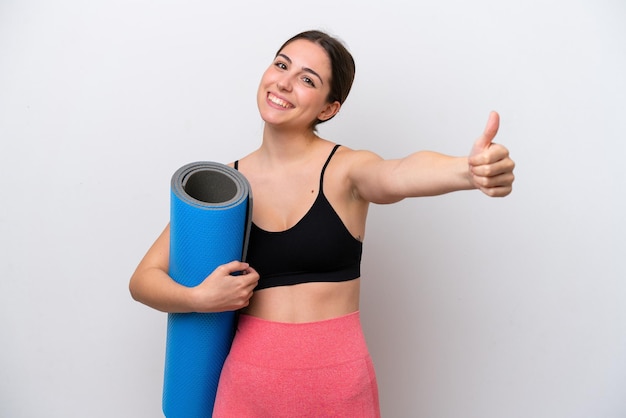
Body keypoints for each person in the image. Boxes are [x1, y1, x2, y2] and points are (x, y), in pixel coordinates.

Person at [129, 29, 515, 417]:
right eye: (282, 65)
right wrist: (199, 299)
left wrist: (466, 171)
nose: (284, 81)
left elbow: (398, 173)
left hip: (339, 389)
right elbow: (143, 279)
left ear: (328, 109)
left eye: (307, 79)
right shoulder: (225, 187)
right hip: (246, 390)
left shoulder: (345, 169)